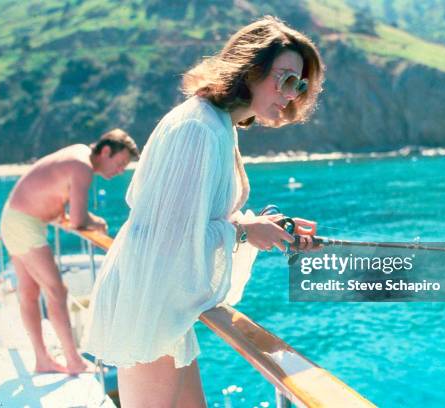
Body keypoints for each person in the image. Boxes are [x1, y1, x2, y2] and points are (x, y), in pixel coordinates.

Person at [83, 16, 324, 406]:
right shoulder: (200, 129)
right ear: (250, 68)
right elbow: (171, 236)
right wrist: (245, 233)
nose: (292, 94)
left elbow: (191, 220)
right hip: (150, 305)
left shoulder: (215, 123)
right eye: (286, 79)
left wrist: (261, 226)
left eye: (300, 85)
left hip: (159, 302)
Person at [0, 129, 139, 375]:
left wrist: (74, 215)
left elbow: (54, 194)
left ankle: (42, 360)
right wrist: (98, 223)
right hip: (24, 223)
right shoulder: (82, 167)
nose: (120, 171)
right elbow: (77, 220)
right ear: (106, 151)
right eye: (119, 164)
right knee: (56, 291)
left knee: (30, 292)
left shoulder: (78, 154)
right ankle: (73, 360)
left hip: (14, 217)